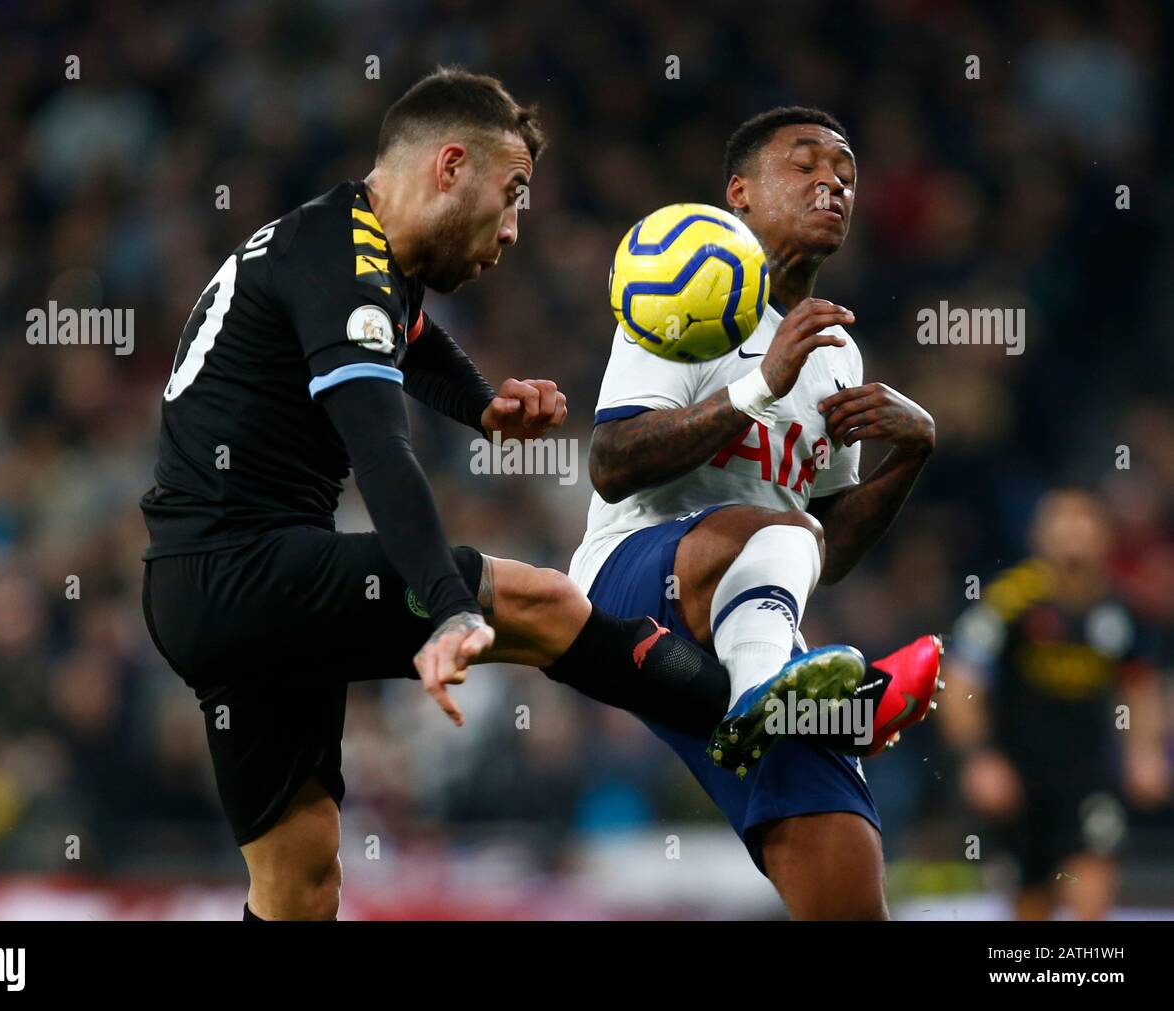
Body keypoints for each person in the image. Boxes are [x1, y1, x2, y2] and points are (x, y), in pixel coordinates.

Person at [139, 68, 735, 921]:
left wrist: (482, 403)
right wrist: (451, 606)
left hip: (213, 588)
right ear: (450, 166)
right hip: (243, 570)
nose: (517, 227)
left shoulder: (341, 246)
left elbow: (409, 339)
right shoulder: (346, 263)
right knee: (537, 600)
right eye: (514, 192)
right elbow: (381, 451)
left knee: (298, 883)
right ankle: (750, 709)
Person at [569, 107, 942, 919]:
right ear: (739, 193)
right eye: (805, 165)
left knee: (844, 866)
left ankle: (770, 700)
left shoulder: (835, 349)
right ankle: (779, 693)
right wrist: (756, 389)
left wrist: (911, 453)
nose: (831, 184)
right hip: (629, 580)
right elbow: (611, 463)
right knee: (778, 531)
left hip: (751, 611)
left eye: (845, 174)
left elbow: (826, 550)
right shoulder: (686, 282)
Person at [943, 488, 1170, 919]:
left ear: (1104, 535)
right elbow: (961, 682)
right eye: (1060, 520)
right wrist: (978, 758)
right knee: (1031, 902)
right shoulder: (1008, 603)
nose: (1072, 532)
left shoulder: (1120, 609)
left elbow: (1140, 685)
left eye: (1083, 520)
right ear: (1038, 535)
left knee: (1092, 888)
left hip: (1091, 778)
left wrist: (1144, 753)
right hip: (1021, 780)